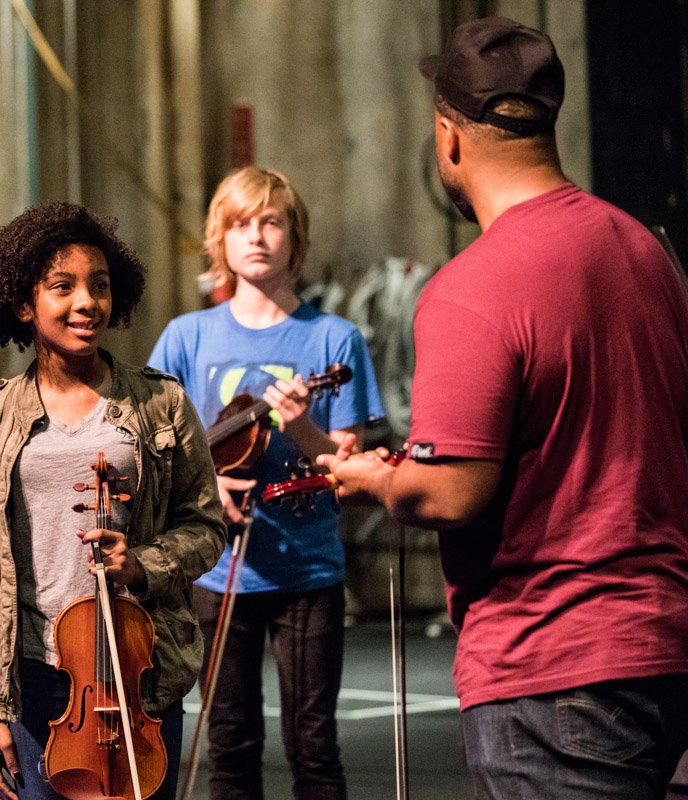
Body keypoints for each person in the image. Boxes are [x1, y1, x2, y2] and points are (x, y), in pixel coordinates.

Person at [319, 17, 688, 800]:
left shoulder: (471, 287)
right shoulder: (644, 251)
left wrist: (375, 479)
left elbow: (449, 489)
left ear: (448, 138)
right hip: (664, 644)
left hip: (553, 666)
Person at [0, 201, 226, 800]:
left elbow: (206, 528)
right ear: (24, 304)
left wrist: (142, 564)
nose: (87, 302)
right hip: (32, 673)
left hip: (137, 667)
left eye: (99, 286)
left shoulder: (162, 404)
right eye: (63, 287)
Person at [148, 166, 383, 800]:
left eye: (272, 222)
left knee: (315, 748)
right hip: (215, 574)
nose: (256, 237)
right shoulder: (185, 337)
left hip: (308, 571)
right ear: (218, 240)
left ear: (295, 238)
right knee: (230, 746)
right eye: (240, 224)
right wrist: (205, 494)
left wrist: (304, 428)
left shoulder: (334, 338)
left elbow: (349, 468)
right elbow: (152, 452)